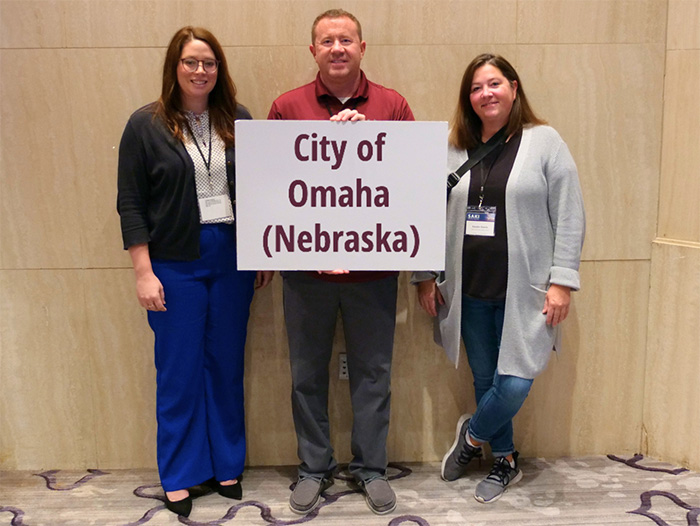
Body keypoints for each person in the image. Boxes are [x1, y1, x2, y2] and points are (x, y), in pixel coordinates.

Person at [413, 53, 585, 504]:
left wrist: (562, 280)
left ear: (513, 87)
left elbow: (569, 214)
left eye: (493, 84)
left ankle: (471, 437)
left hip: (526, 292)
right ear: (467, 98)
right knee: (486, 378)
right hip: (467, 289)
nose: (485, 94)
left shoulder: (544, 142)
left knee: (516, 381)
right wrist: (426, 275)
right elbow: (426, 213)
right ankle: (504, 459)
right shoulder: (453, 147)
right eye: (475, 88)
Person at [117, 26, 273, 517]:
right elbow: (131, 204)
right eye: (191, 62)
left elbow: (262, 189)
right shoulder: (145, 125)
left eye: (208, 63)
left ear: (219, 69)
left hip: (230, 256)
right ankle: (181, 473)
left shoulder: (238, 120)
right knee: (179, 370)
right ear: (175, 67)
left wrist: (258, 253)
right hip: (174, 263)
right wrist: (143, 271)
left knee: (225, 365)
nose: (200, 71)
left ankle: (226, 464)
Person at [267, 9, 414, 516]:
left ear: (362, 47)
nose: (337, 48)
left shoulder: (392, 106)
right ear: (313, 51)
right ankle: (313, 468)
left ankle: (371, 468)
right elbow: (272, 185)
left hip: (372, 274)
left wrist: (367, 141)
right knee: (306, 372)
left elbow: (410, 185)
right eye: (326, 40)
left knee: (374, 373)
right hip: (307, 272)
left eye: (345, 39)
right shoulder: (287, 107)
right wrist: (322, 144)